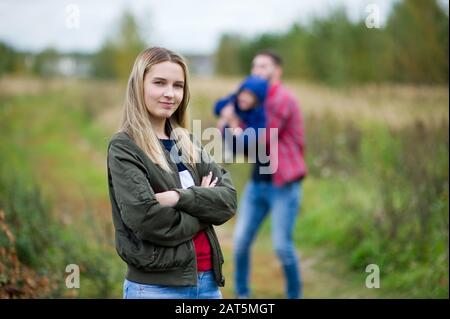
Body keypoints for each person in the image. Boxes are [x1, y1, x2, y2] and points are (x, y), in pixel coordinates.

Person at [107, 47, 237, 299]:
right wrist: (202, 208)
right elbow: (147, 220)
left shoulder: (187, 142)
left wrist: (179, 198)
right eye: (159, 83)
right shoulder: (124, 147)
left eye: (178, 85)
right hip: (156, 288)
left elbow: (228, 200)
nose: (170, 93)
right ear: (139, 86)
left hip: (208, 284)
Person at [223, 50, 307, 299]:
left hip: (284, 185)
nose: (258, 71)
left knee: (282, 247)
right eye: (254, 67)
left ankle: (294, 296)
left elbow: (258, 139)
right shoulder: (254, 102)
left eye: (264, 66)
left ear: (277, 71)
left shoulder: (281, 100)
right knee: (240, 243)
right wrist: (229, 124)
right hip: (258, 182)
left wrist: (232, 123)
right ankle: (242, 296)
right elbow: (234, 145)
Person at [213, 75, 269, 165]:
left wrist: (234, 125)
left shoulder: (259, 115)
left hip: (245, 148)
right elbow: (217, 107)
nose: (244, 98)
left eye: (250, 96)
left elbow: (248, 141)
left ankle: (229, 152)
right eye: (243, 93)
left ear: (257, 100)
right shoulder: (233, 100)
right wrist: (224, 110)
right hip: (227, 139)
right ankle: (225, 150)